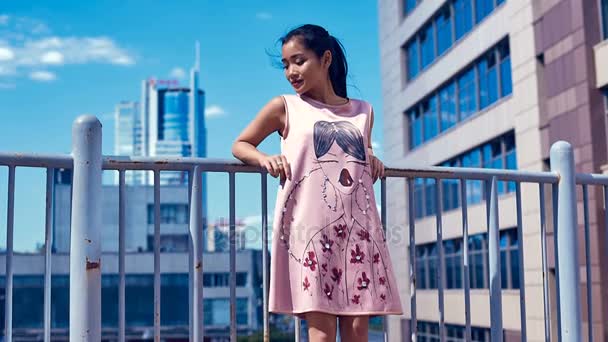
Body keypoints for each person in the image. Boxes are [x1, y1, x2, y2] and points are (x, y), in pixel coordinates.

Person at [232, 24, 403, 342]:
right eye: (285, 65)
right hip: (309, 233)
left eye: (298, 61)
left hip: (358, 232)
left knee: (357, 334)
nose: (290, 72)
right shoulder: (284, 107)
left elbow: (358, 154)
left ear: (325, 59)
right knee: (321, 336)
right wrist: (265, 158)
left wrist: (372, 158)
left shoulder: (363, 112)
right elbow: (241, 144)